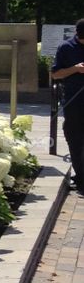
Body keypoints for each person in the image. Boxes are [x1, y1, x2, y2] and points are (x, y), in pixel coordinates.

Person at [51, 18, 84, 194]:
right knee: (75, 138)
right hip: (74, 101)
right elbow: (55, 75)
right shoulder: (66, 48)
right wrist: (76, 69)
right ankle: (81, 177)